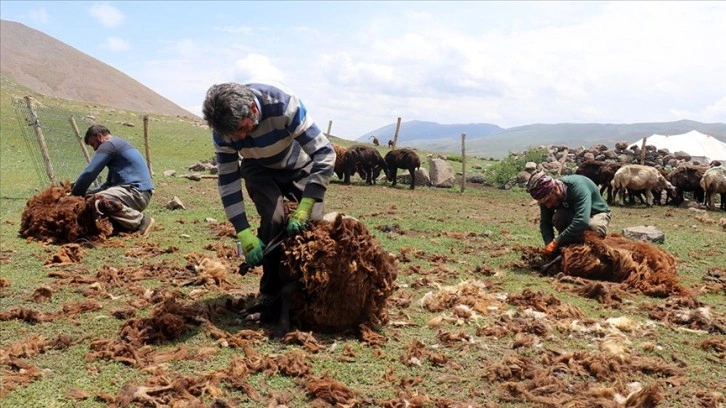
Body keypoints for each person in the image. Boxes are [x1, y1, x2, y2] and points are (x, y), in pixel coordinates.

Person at [202, 82, 336, 308]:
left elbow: (325, 153)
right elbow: (228, 180)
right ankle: (270, 293)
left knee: (312, 223)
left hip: (297, 165)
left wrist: (305, 206)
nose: (241, 138)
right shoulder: (224, 132)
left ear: (253, 110)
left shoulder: (284, 105)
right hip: (258, 169)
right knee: (274, 220)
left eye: (244, 129)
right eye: (235, 136)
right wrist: (243, 232)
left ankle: (304, 291)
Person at [70, 125, 155, 236]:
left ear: (100, 136)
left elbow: (90, 173)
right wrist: (86, 193)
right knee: (92, 198)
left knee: (98, 201)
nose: (95, 149)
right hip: (139, 193)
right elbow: (108, 185)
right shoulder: (118, 145)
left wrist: (74, 194)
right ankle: (123, 225)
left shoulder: (109, 145)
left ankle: (140, 221)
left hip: (136, 193)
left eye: (93, 144)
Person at [526, 171, 611, 256]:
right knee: (559, 218)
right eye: (544, 203)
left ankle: (591, 250)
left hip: (596, 212)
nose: (548, 206)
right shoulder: (546, 195)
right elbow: (545, 223)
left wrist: (556, 242)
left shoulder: (578, 187)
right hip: (574, 213)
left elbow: (582, 221)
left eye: (548, 201)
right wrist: (549, 244)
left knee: (593, 226)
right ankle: (569, 243)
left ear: (555, 189)